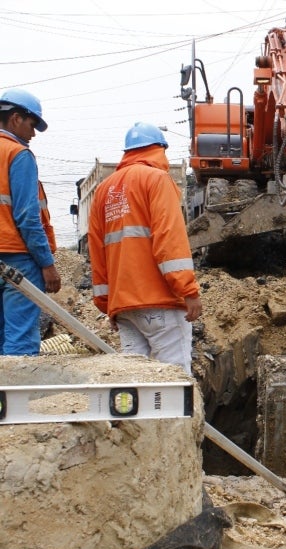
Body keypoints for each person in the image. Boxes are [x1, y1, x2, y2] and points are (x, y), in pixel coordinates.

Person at [88, 122, 202, 375]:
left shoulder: (104, 190)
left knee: (134, 385)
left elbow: (97, 254)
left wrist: (108, 304)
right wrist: (188, 290)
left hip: (124, 308)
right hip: (159, 302)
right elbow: (169, 241)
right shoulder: (157, 180)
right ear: (159, 149)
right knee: (174, 380)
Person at [0, 88, 60, 355]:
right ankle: (17, 397)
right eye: (32, 124)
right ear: (15, 119)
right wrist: (47, 264)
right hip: (18, 258)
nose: (33, 134)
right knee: (20, 339)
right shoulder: (17, 154)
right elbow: (27, 217)